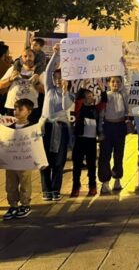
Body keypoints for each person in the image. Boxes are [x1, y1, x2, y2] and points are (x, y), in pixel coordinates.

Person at [40, 44, 72, 201]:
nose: (59, 80)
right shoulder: (49, 90)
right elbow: (48, 71)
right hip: (46, 127)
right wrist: (56, 55)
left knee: (59, 160)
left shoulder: (69, 94)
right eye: (57, 77)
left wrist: (65, 91)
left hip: (61, 128)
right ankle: (46, 189)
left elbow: (65, 106)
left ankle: (55, 189)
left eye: (62, 78)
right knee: (44, 159)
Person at [3, 99, 37, 220]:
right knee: (10, 184)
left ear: (29, 111)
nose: (16, 111)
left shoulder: (32, 127)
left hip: (25, 161)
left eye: (20, 109)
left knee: (25, 182)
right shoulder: (9, 127)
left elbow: (36, 144)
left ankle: (25, 204)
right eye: (15, 109)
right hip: (11, 161)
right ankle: (13, 205)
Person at [71, 86, 107, 197]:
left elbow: (104, 102)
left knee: (91, 164)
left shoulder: (95, 109)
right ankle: (76, 187)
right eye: (89, 96)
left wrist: (103, 90)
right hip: (80, 139)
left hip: (91, 141)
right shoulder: (79, 108)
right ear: (84, 98)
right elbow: (77, 99)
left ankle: (92, 186)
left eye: (92, 96)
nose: (92, 97)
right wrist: (83, 86)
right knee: (77, 164)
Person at [98, 76, 130, 195]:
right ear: (108, 83)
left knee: (119, 154)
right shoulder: (105, 95)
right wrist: (100, 129)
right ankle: (105, 182)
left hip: (120, 127)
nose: (115, 84)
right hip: (107, 126)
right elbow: (101, 113)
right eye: (113, 81)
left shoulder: (123, 95)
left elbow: (127, 109)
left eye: (118, 81)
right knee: (105, 155)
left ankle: (117, 179)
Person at [0, 48, 43, 119]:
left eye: (30, 56)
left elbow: (45, 90)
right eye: (25, 56)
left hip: (30, 108)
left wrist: (37, 83)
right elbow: (1, 85)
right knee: (11, 126)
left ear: (34, 57)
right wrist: (10, 80)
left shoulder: (40, 72)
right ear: (21, 58)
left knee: (30, 126)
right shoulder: (13, 69)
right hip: (12, 106)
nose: (28, 58)